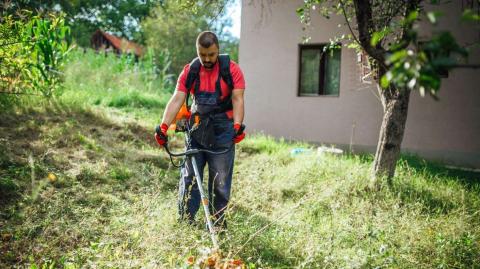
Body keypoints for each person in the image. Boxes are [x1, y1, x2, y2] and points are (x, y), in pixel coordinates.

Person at [154, 31, 246, 229]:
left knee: (220, 181)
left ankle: (217, 225)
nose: (207, 59)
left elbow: (238, 99)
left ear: (218, 50)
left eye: (211, 55)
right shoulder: (191, 70)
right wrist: (163, 127)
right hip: (196, 127)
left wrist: (237, 126)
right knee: (190, 179)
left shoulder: (231, 70)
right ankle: (186, 223)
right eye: (202, 55)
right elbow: (177, 98)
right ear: (198, 51)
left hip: (223, 130)